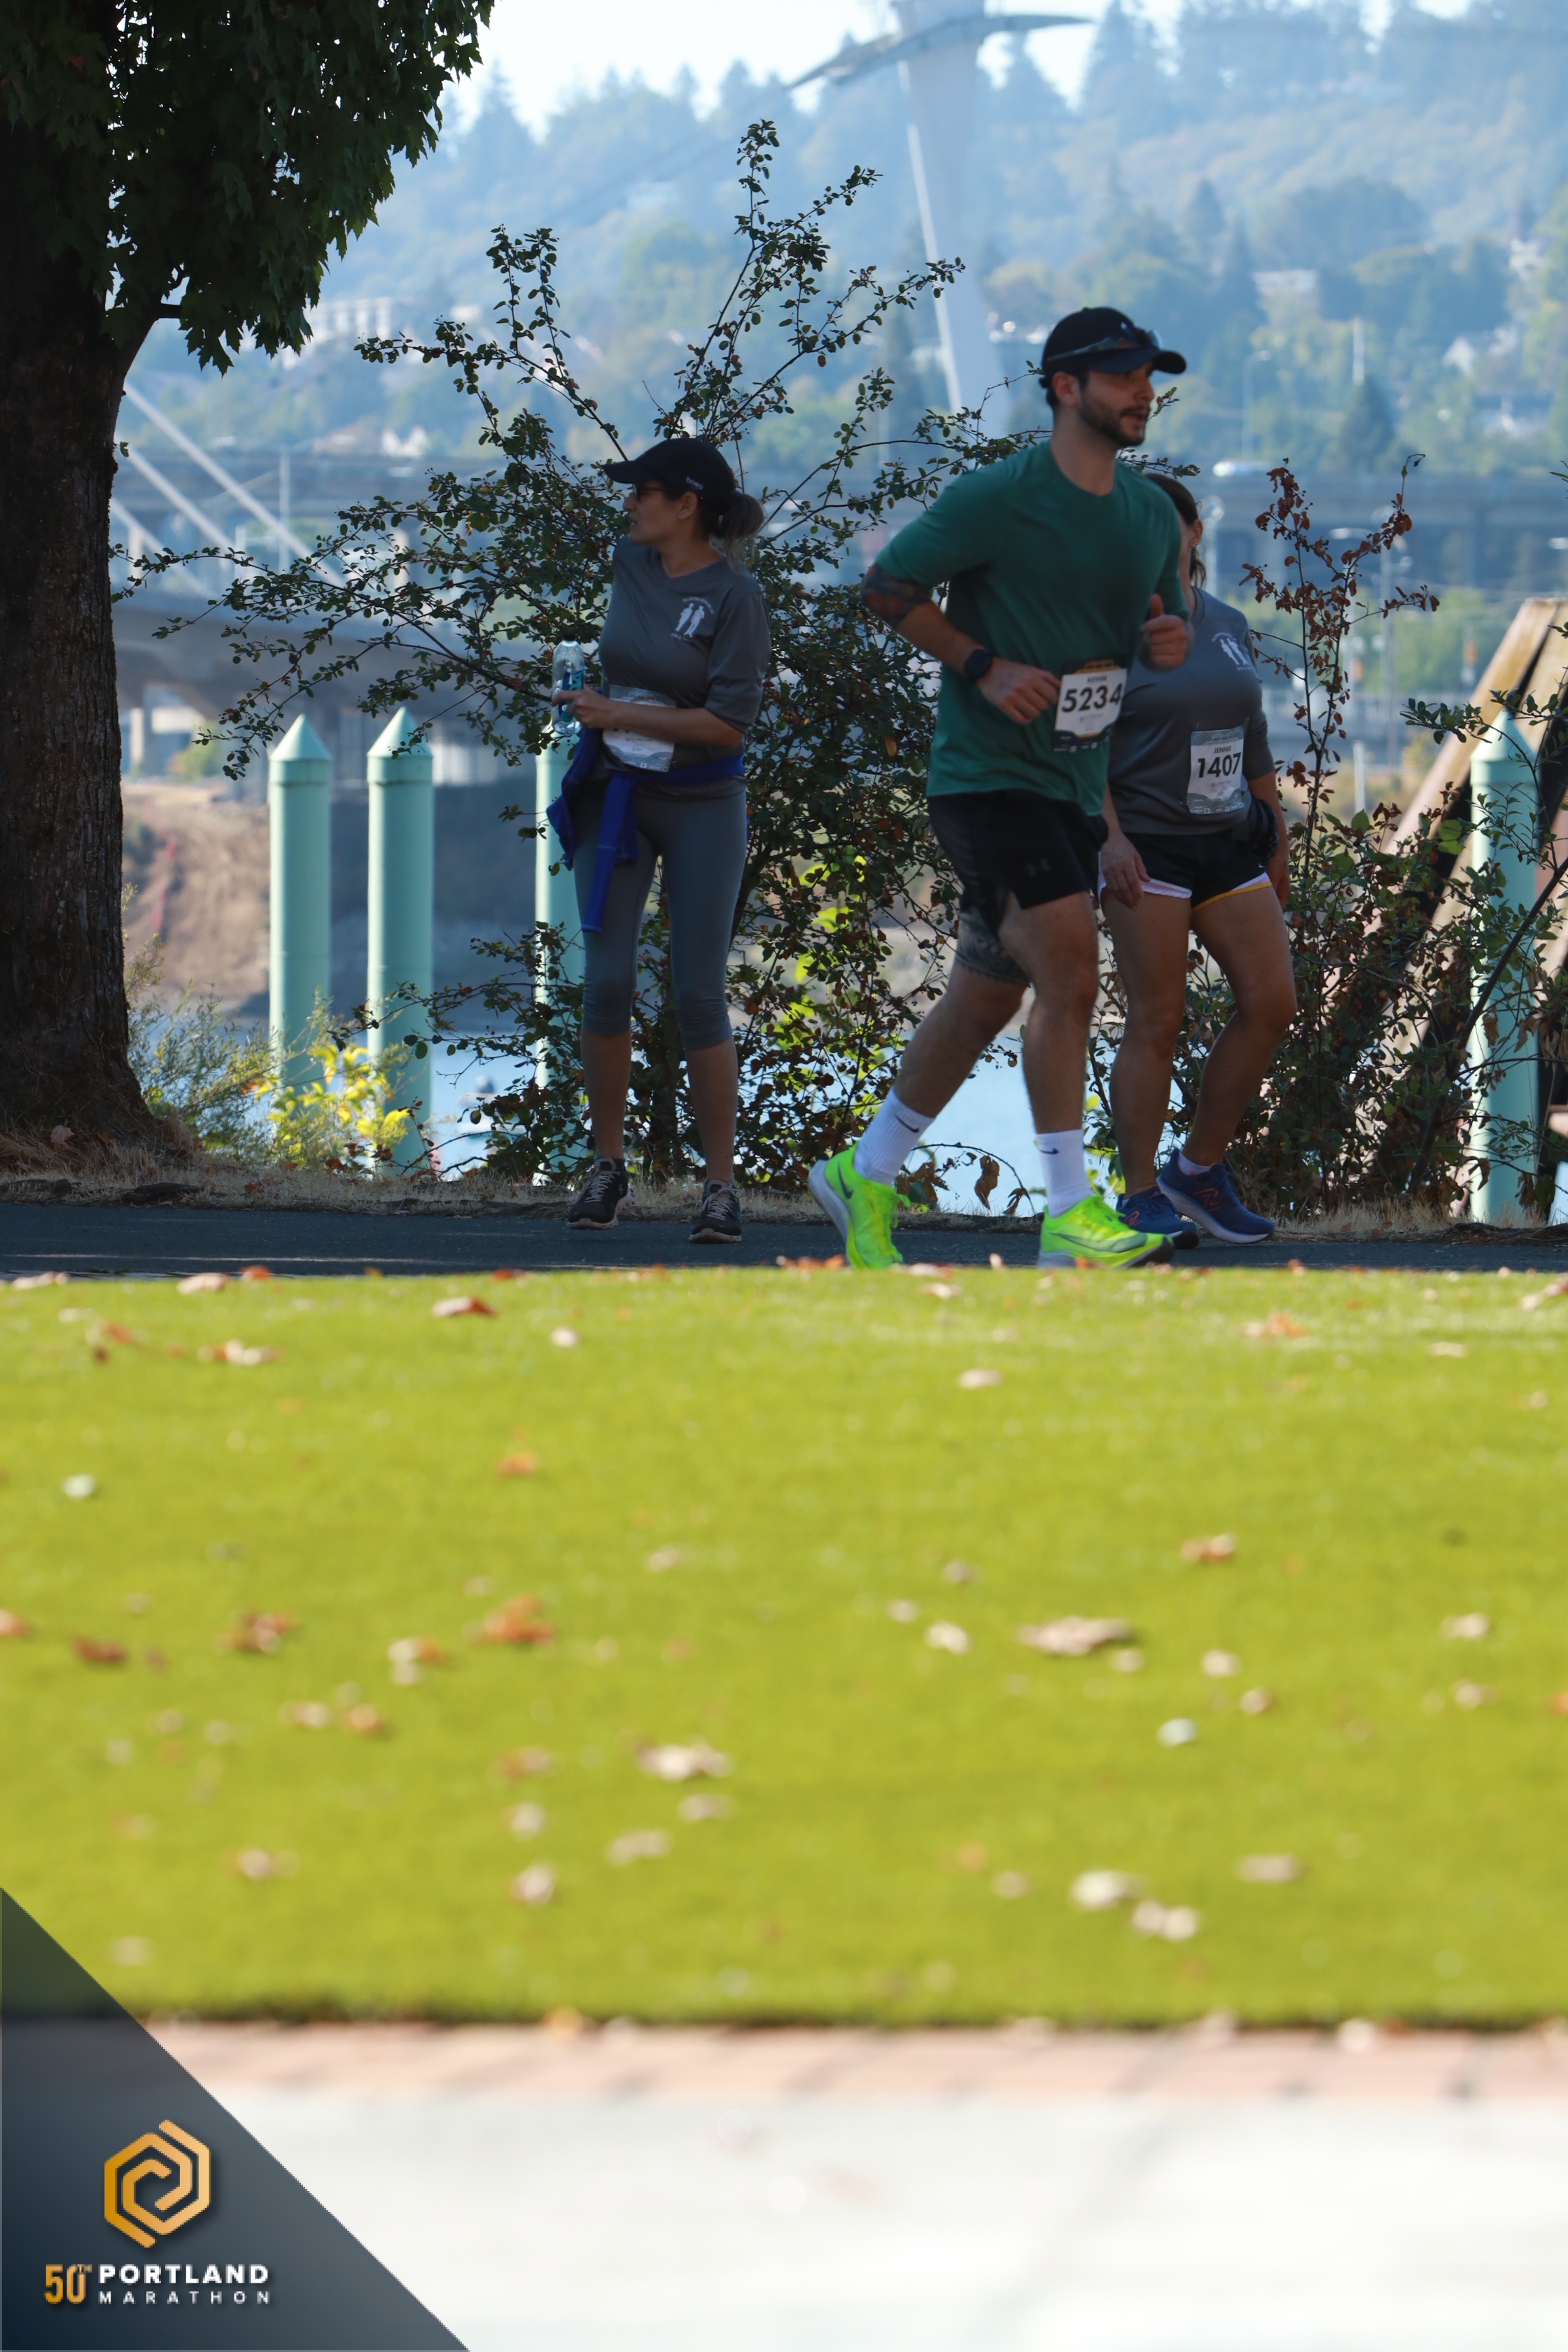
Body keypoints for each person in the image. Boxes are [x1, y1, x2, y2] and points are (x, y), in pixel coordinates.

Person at [811, 309, 1192, 1271]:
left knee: (985, 999)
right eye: (1123, 376)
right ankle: (1068, 1214)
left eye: (1149, 376)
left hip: (1073, 787)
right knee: (1070, 974)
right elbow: (887, 588)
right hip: (985, 780)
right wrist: (980, 665)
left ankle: (865, 1172)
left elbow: (1164, 625)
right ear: (1065, 387)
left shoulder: (1150, 515)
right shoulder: (998, 497)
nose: (1143, 392)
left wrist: (1166, 642)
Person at [547, 438, 769, 1244]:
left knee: (697, 993)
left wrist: (617, 712)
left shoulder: (736, 596)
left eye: (642, 491)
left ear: (686, 505)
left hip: (703, 804)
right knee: (606, 985)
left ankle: (720, 1188)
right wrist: (592, 699)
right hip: (617, 797)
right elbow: (627, 663)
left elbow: (727, 725)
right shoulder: (628, 562)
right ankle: (607, 1169)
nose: (628, 502)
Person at [1100, 472, 1295, 1245]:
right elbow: (1075, 747)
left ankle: (1197, 1171)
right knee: (1157, 1018)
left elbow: (1252, 738)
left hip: (1227, 839)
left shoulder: (1226, 623)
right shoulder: (1107, 628)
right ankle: (1139, 1193)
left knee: (1272, 1003)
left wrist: (1276, 836)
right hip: (1145, 846)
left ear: (1192, 532)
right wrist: (1108, 838)